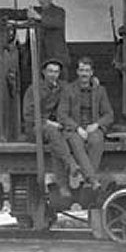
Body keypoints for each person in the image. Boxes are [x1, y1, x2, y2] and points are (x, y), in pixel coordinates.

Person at [23, 58, 82, 198]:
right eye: (50, 71)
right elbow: (29, 115)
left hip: (56, 130)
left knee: (57, 145)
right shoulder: (34, 89)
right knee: (53, 132)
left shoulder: (62, 87)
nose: (53, 75)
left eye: (56, 72)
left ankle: (63, 186)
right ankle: (71, 164)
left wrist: (94, 82)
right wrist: (49, 123)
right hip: (36, 128)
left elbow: (76, 88)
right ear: (43, 72)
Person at [58, 56, 114, 189]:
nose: (84, 74)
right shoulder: (68, 90)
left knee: (96, 141)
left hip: (92, 127)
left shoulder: (100, 91)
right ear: (77, 72)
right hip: (74, 128)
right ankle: (92, 180)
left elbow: (109, 115)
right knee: (76, 143)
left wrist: (96, 125)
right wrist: (77, 128)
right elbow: (62, 114)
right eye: (82, 70)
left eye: (87, 71)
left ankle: (87, 180)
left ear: (91, 72)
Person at [26, 0, 70, 78]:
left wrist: (38, 17)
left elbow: (56, 23)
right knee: (41, 83)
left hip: (57, 55)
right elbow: (17, 14)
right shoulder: (36, 11)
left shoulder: (59, 11)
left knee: (61, 82)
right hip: (40, 56)